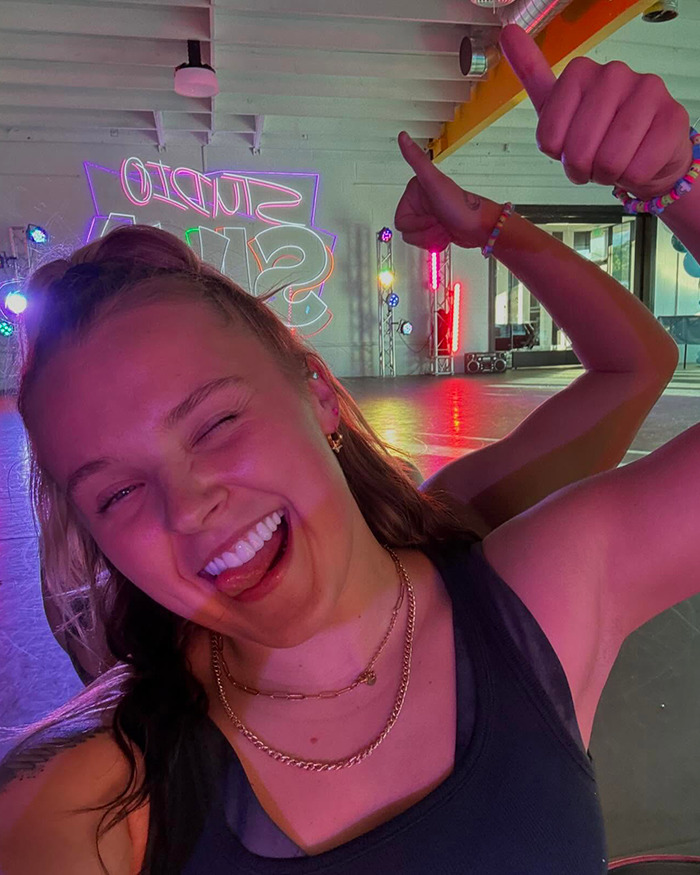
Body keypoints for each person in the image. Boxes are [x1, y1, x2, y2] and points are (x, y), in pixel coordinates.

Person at [1, 25, 698, 874]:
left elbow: (638, 366)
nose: (188, 506)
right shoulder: (93, 801)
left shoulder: (527, 585)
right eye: (114, 494)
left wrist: (680, 177)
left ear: (319, 390)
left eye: (217, 423)